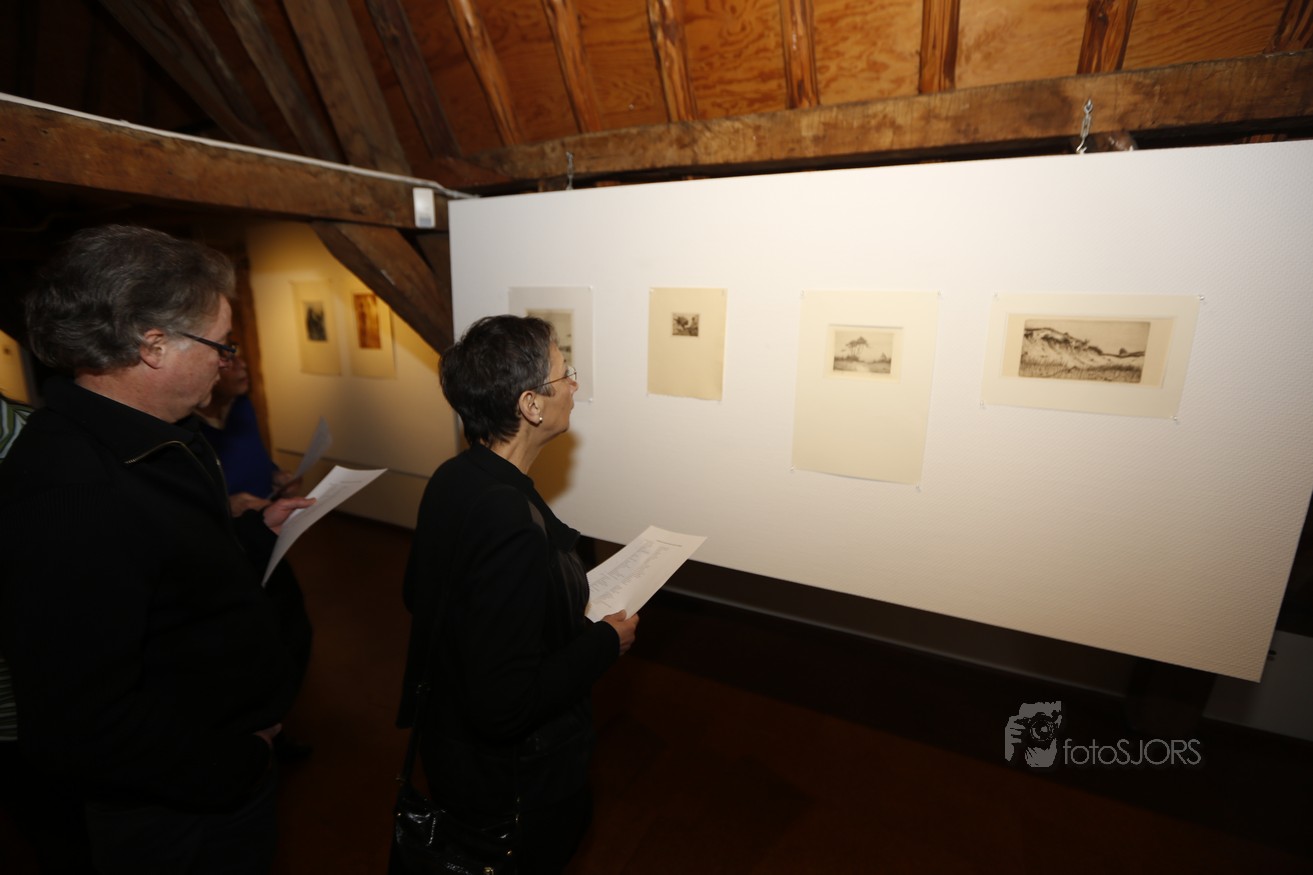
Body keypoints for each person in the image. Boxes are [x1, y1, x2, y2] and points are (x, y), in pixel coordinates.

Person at [0, 224, 313, 874]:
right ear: (153, 346)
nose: (227, 361)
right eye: (220, 344)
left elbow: (172, 568)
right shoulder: (72, 488)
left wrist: (256, 530)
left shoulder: (160, 437)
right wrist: (240, 760)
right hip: (177, 811)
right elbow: (82, 722)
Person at [398, 315, 639, 874]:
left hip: (452, 751)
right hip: (513, 787)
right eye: (564, 373)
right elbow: (505, 704)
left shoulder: (454, 476)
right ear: (531, 405)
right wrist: (605, 642)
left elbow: (419, 595)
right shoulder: (508, 518)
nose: (574, 384)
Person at [196, 347, 315, 759]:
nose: (243, 364)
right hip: (224, 550)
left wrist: (278, 476)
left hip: (265, 540)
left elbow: (258, 461)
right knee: (244, 647)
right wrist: (226, 506)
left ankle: (274, 726)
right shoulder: (185, 426)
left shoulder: (244, 408)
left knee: (293, 631)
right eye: (230, 357)